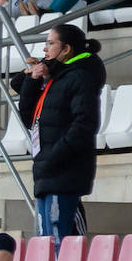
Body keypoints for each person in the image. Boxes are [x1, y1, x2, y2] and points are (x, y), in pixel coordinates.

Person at [13, 24, 104, 245]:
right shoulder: (55, 79)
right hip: (47, 169)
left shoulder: (79, 77)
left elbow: (85, 124)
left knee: (60, 240)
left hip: (63, 170)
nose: (45, 49)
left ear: (66, 49)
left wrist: (54, 155)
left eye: (51, 43)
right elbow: (29, 118)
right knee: (47, 240)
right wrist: (33, 80)